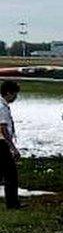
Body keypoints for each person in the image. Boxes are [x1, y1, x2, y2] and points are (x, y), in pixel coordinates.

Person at [0, 80, 21, 208]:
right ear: (8, 93)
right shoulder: (2, 107)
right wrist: (13, 147)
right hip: (2, 143)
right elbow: (2, 128)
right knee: (11, 174)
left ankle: (12, 203)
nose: (15, 97)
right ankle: (12, 203)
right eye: (14, 94)